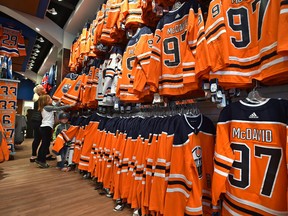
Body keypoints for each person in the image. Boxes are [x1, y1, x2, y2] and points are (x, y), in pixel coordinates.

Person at [36, 95, 72, 168]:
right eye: (49, 98)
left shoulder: (46, 108)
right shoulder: (47, 107)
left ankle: (39, 159)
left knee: (44, 144)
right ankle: (42, 161)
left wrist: (58, 102)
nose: (51, 99)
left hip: (44, 127)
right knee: (45, 145)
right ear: (45, 100)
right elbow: (57, 108)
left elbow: (55, 107)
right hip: (46, 127)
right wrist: (70, 105)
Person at [30, 84, 54, 162]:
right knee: (41, 138)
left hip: (36, 120)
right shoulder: (42, 99)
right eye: (43, 89)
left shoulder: (37, 99)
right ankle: (36, 156)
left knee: (41, 138)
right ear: (40, 92)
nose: (45, 89)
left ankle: (44, 154)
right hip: (39, 121)